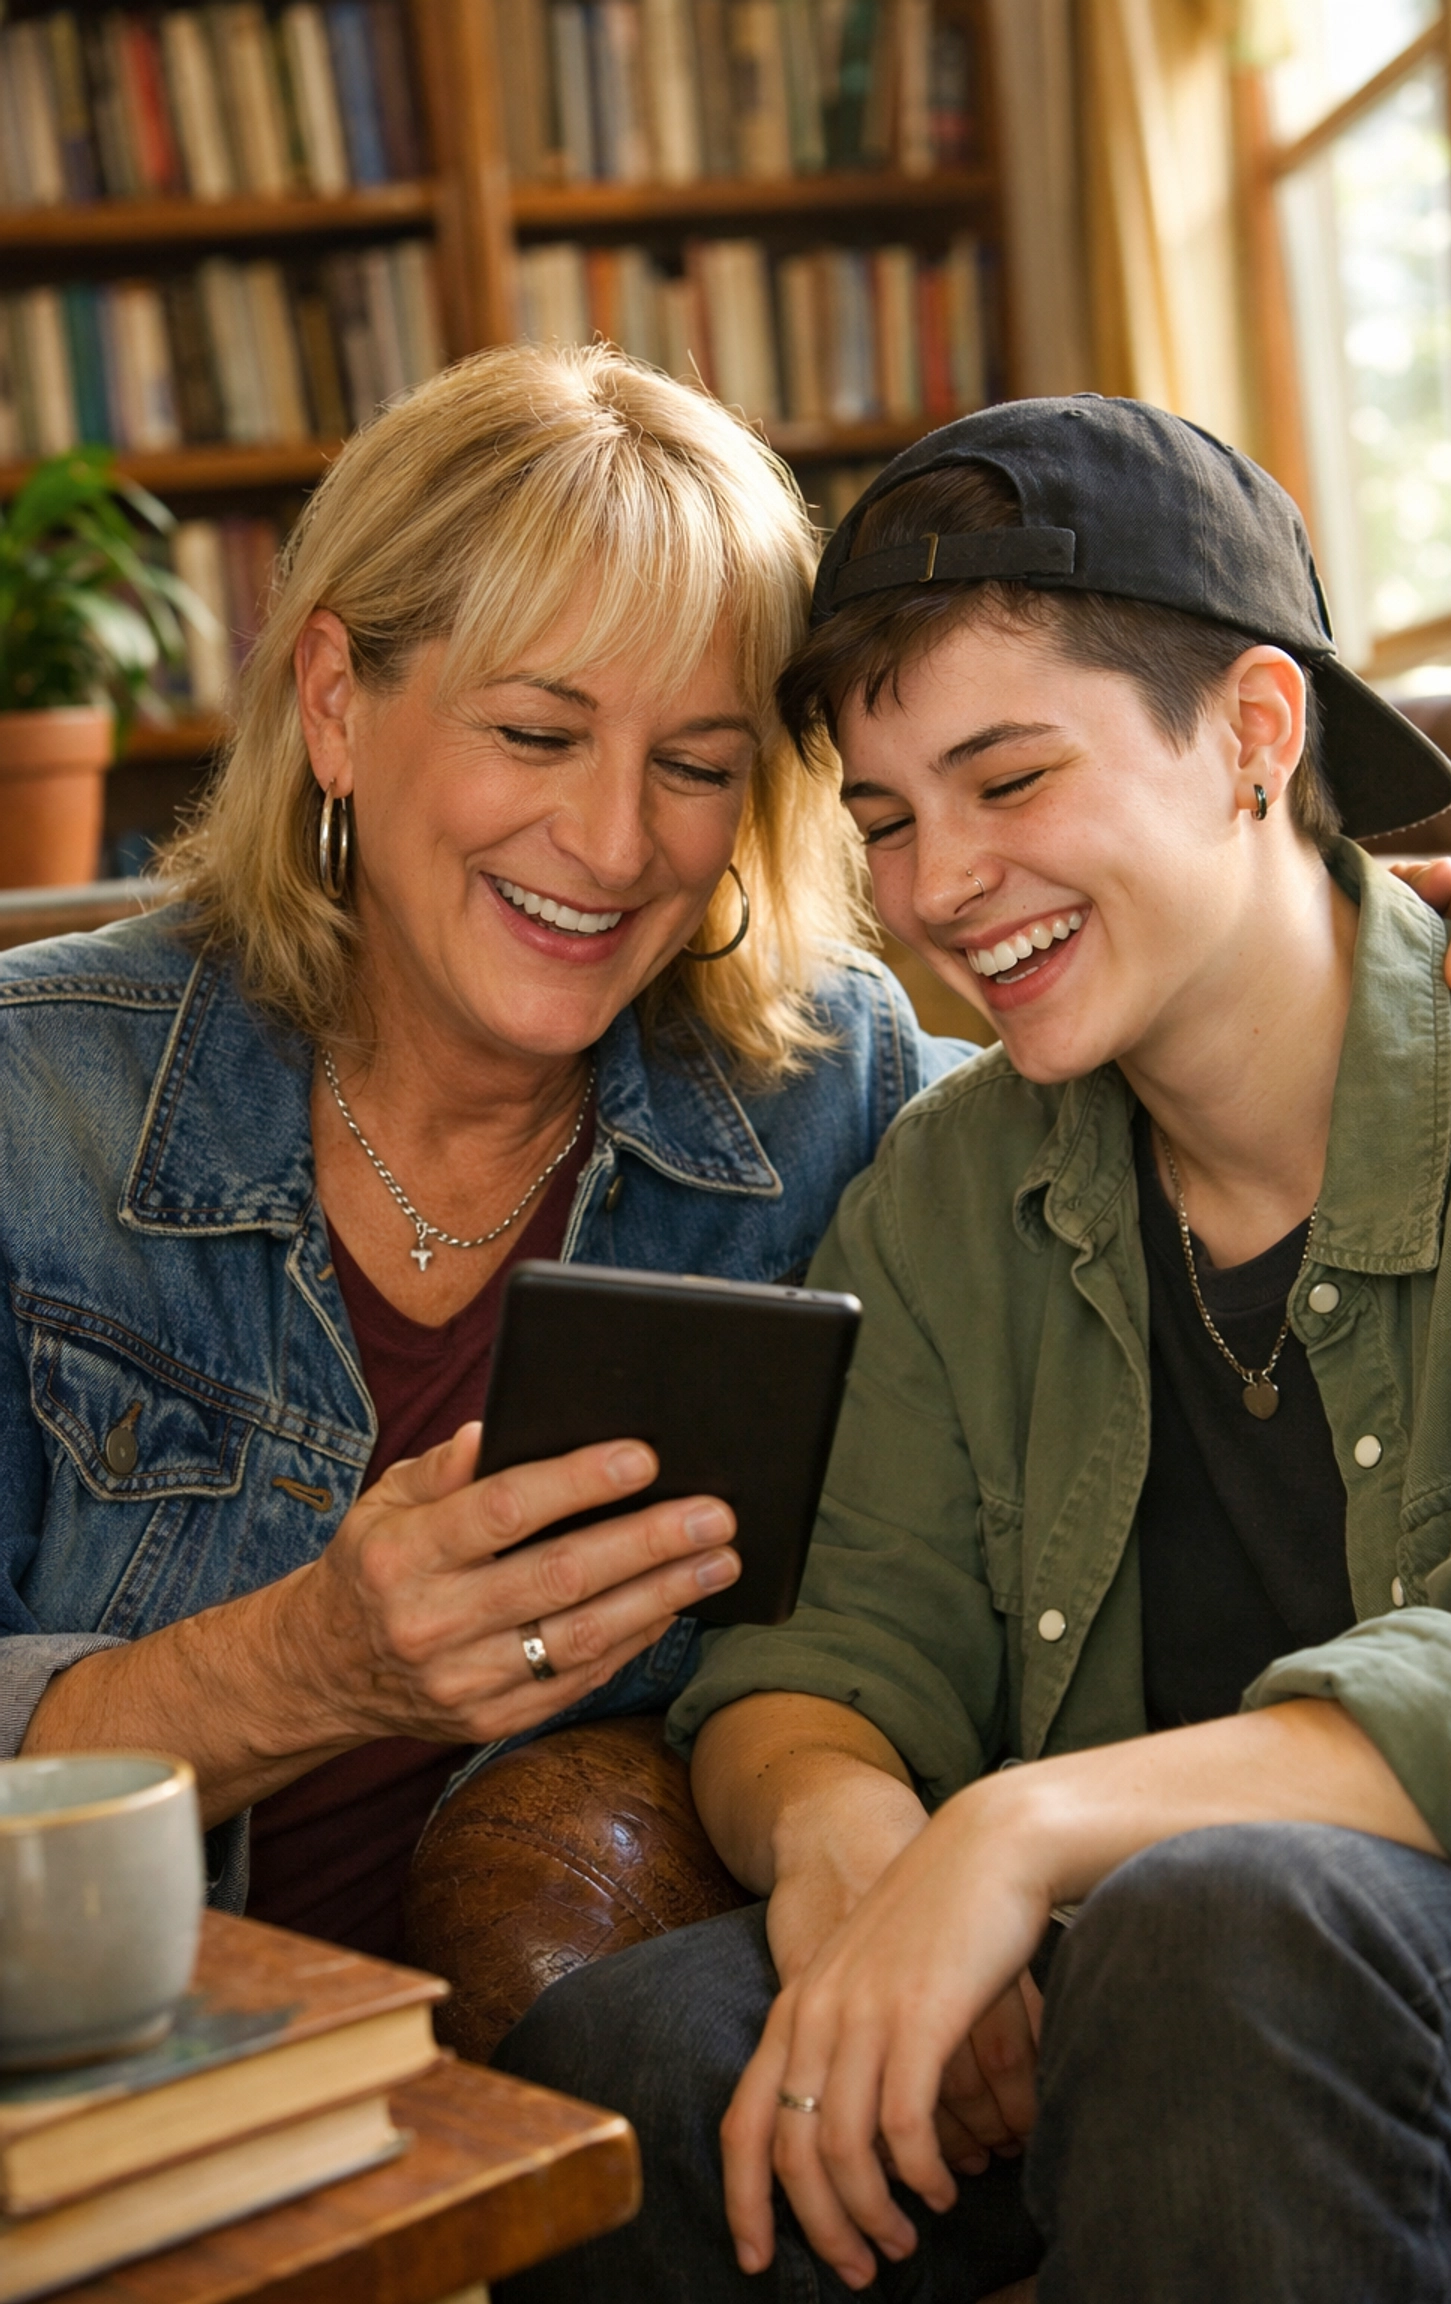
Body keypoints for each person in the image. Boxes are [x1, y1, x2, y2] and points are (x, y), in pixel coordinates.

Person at [498, 398, 1451, 2304]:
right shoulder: (949, 1182)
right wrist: (862, 1855)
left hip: (1449, 1956)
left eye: (1010, 779)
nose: (936, 889)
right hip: (1132, 1966)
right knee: (626, 2071)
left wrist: (1015, 1837)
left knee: (1221, 1929)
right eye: (888, 820)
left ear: (1257, 735)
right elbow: (819, 1657)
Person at [0, 343, 974, 1960]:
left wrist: (1351, 949)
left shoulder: (823, 1082)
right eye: (534, 734)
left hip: (583, 2039)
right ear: (335, 702)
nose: (612, 844)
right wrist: (314, 1662)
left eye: (695, 766)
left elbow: (1122, 1155)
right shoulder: (34, 1094)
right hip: (143, 2042)